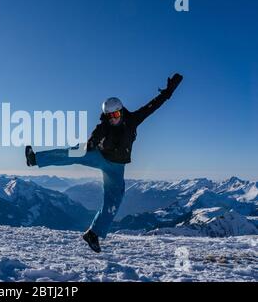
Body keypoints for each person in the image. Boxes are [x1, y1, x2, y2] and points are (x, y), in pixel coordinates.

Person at [24, 73, 183, 253]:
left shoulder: (133, 120)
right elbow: (95, 136)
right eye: (109, 115)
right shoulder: (104, 125)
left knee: (114, 200)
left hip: (116, 167)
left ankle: (93, 233)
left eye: (115, 114)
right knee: (71, 153)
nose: (113, 118)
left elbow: (153, 106)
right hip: (98, 155)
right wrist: (90, 144)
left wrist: (168, 92)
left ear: (121, 111)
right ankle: (35, 158)